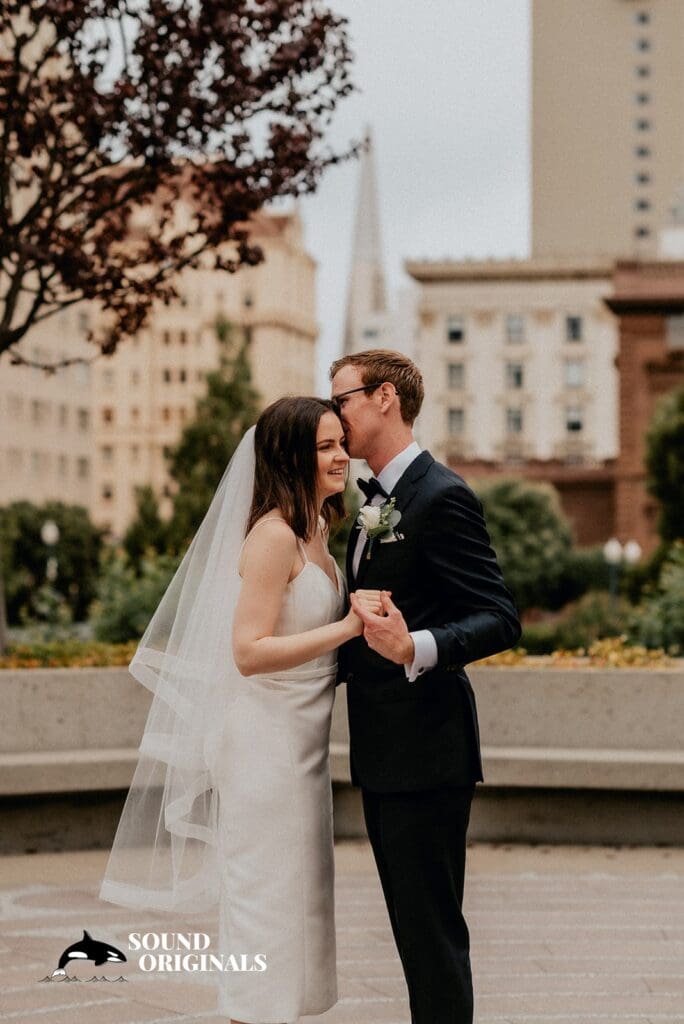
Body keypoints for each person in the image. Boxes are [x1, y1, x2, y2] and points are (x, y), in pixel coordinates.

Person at [99, 395, 382, 1024]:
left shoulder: (318, 531)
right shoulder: (273, 536)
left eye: (341, 443)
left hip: (302, 742)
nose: (341, 457)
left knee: (300, 899)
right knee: (264, 901)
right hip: (263, 743)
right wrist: (349, 631)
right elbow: (248, 652)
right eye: (326, 447)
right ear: (290, 457)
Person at [330, 349, 522, 1024]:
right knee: (414, 938)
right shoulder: (371, 504)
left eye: (342, 400)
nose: (335, 415)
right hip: (383, 753)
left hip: (427, 750)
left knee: (433, 936)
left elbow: (500, 617)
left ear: (384, 397)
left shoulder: (441, 496)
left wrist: (418, 647)